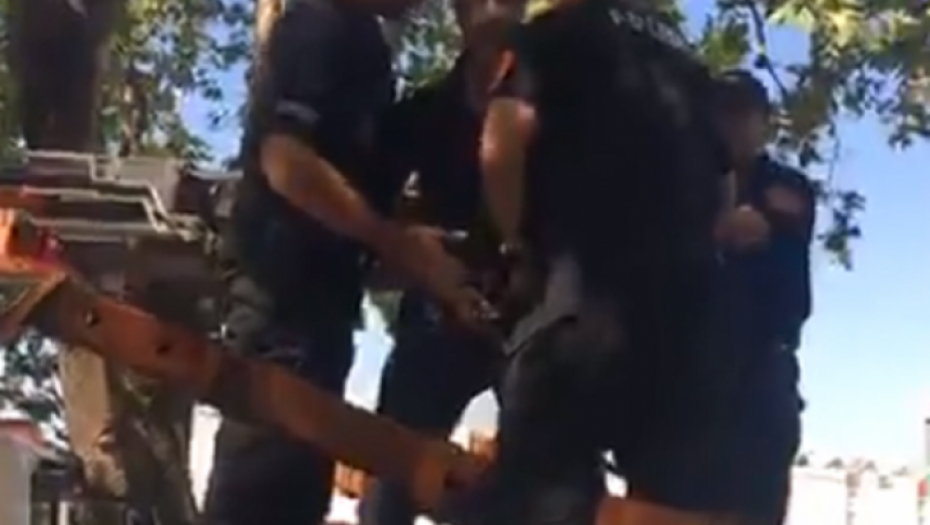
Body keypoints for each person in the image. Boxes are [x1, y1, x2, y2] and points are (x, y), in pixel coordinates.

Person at [200, 0, 486, 523]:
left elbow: (359, 189)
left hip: (321, 312)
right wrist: (396, 244)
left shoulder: (369, 51)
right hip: (281, 302)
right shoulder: (320, 24)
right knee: (260, 487)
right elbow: (286, 162)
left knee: (297, 493)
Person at [474, 0, 741, 524]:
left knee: (537, 494)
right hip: (687, 318)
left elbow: (501, 143)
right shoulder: (681, 66)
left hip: (581, 305)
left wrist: (516, 244)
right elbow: (725, 191)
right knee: (671, 499)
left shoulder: (547, 36)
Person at [357, 1, 525, 524]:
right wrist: (411, 247)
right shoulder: (420, 115)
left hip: (533, 322)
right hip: (437, 315)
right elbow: (368, 217)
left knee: (552, 490)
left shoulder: (567, 113)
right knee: (389, 487)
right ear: (457, 11)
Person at [701, 68, 814, 524]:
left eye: (743, 112)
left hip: (761, 367)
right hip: (690, 369)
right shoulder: (686, 183)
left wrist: (704, 228)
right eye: (723, 112)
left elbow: (747, 228)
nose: (731, 124)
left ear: (765, 122)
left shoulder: (787, 186)